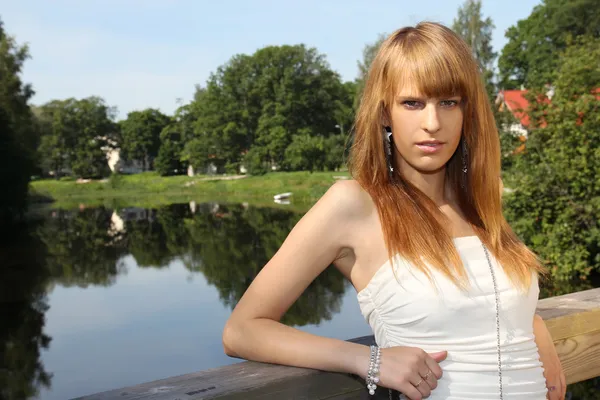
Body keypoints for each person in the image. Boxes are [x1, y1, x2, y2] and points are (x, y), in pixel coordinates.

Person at [222, 21, 566, 400]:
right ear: (384, 113)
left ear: (468, 112)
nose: (432, 123)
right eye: (412, 103)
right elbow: (242, 330)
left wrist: (533, 325)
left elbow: (487, 298)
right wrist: (367, 359)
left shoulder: (480, 203)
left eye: (448, 102)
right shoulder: (353, 205)